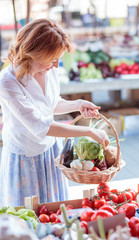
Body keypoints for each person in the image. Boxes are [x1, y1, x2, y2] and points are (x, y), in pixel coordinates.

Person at [0, 18, 109, 207]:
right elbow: (41, 126)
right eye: (53, 59)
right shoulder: (8, 81)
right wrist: (89, 131)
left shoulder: (48, 70)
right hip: (25, 157)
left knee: (55, 210)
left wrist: (78, 105)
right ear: (35, 53)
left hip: (50, 151)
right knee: (29, 215)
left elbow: (50, 104)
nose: (57, 65)